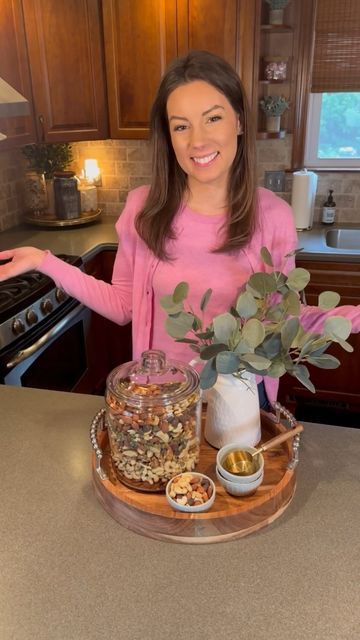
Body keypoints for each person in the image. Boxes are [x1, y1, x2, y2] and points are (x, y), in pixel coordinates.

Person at [0, 50, 359, 407]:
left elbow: (284, 321)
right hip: (163, 399)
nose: (197, 141)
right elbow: (122, 305)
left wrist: (353, 317)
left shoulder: (274, 217)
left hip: (240, 399)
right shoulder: (144, 209)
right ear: (169, 136)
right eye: (181, 126)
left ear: (239, 121)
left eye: (213, 118)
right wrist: (44, 261)